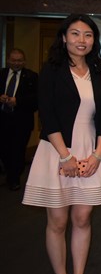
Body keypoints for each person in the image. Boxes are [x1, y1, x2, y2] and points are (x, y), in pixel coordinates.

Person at [22, 14, 101, 274]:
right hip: (58, 150)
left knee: (82, 218)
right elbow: (47, 115)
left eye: (88, 35)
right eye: (75, 34)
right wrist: (65, 156)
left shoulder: (97, 71)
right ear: (64, 38)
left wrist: (98, 154)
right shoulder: (52, 70)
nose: (81, 40)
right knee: (58, 222)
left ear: (94, 40)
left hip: (89, 151)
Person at [0, 48, 38, 190]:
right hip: (3, 119)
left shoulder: (32, 77)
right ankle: (10, 172)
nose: (17, 63)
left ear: (24, 61)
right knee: (4, 149)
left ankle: (14, 178)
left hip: (22, 121)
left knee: (18, 150)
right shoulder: (1, 74)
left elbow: (36, 99)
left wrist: (18, 101)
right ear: (8, 60)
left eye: (20, 61)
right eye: (14, 60)